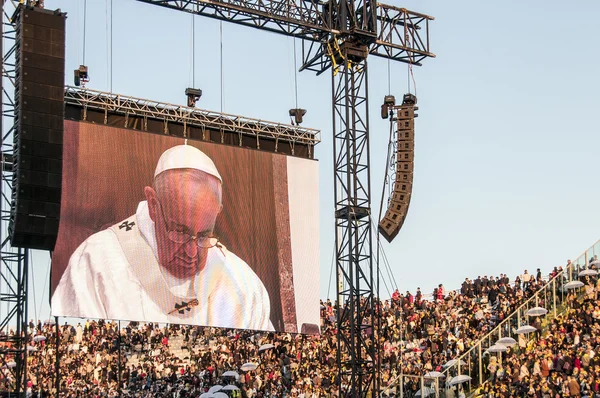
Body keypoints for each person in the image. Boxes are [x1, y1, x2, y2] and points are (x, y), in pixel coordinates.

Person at [52, 145, 272, 331]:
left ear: (218, 212)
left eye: (204, 235)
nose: (192, 252)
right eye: (180, 232)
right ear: (153, 205)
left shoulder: (240, 282)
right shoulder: (96, 262)